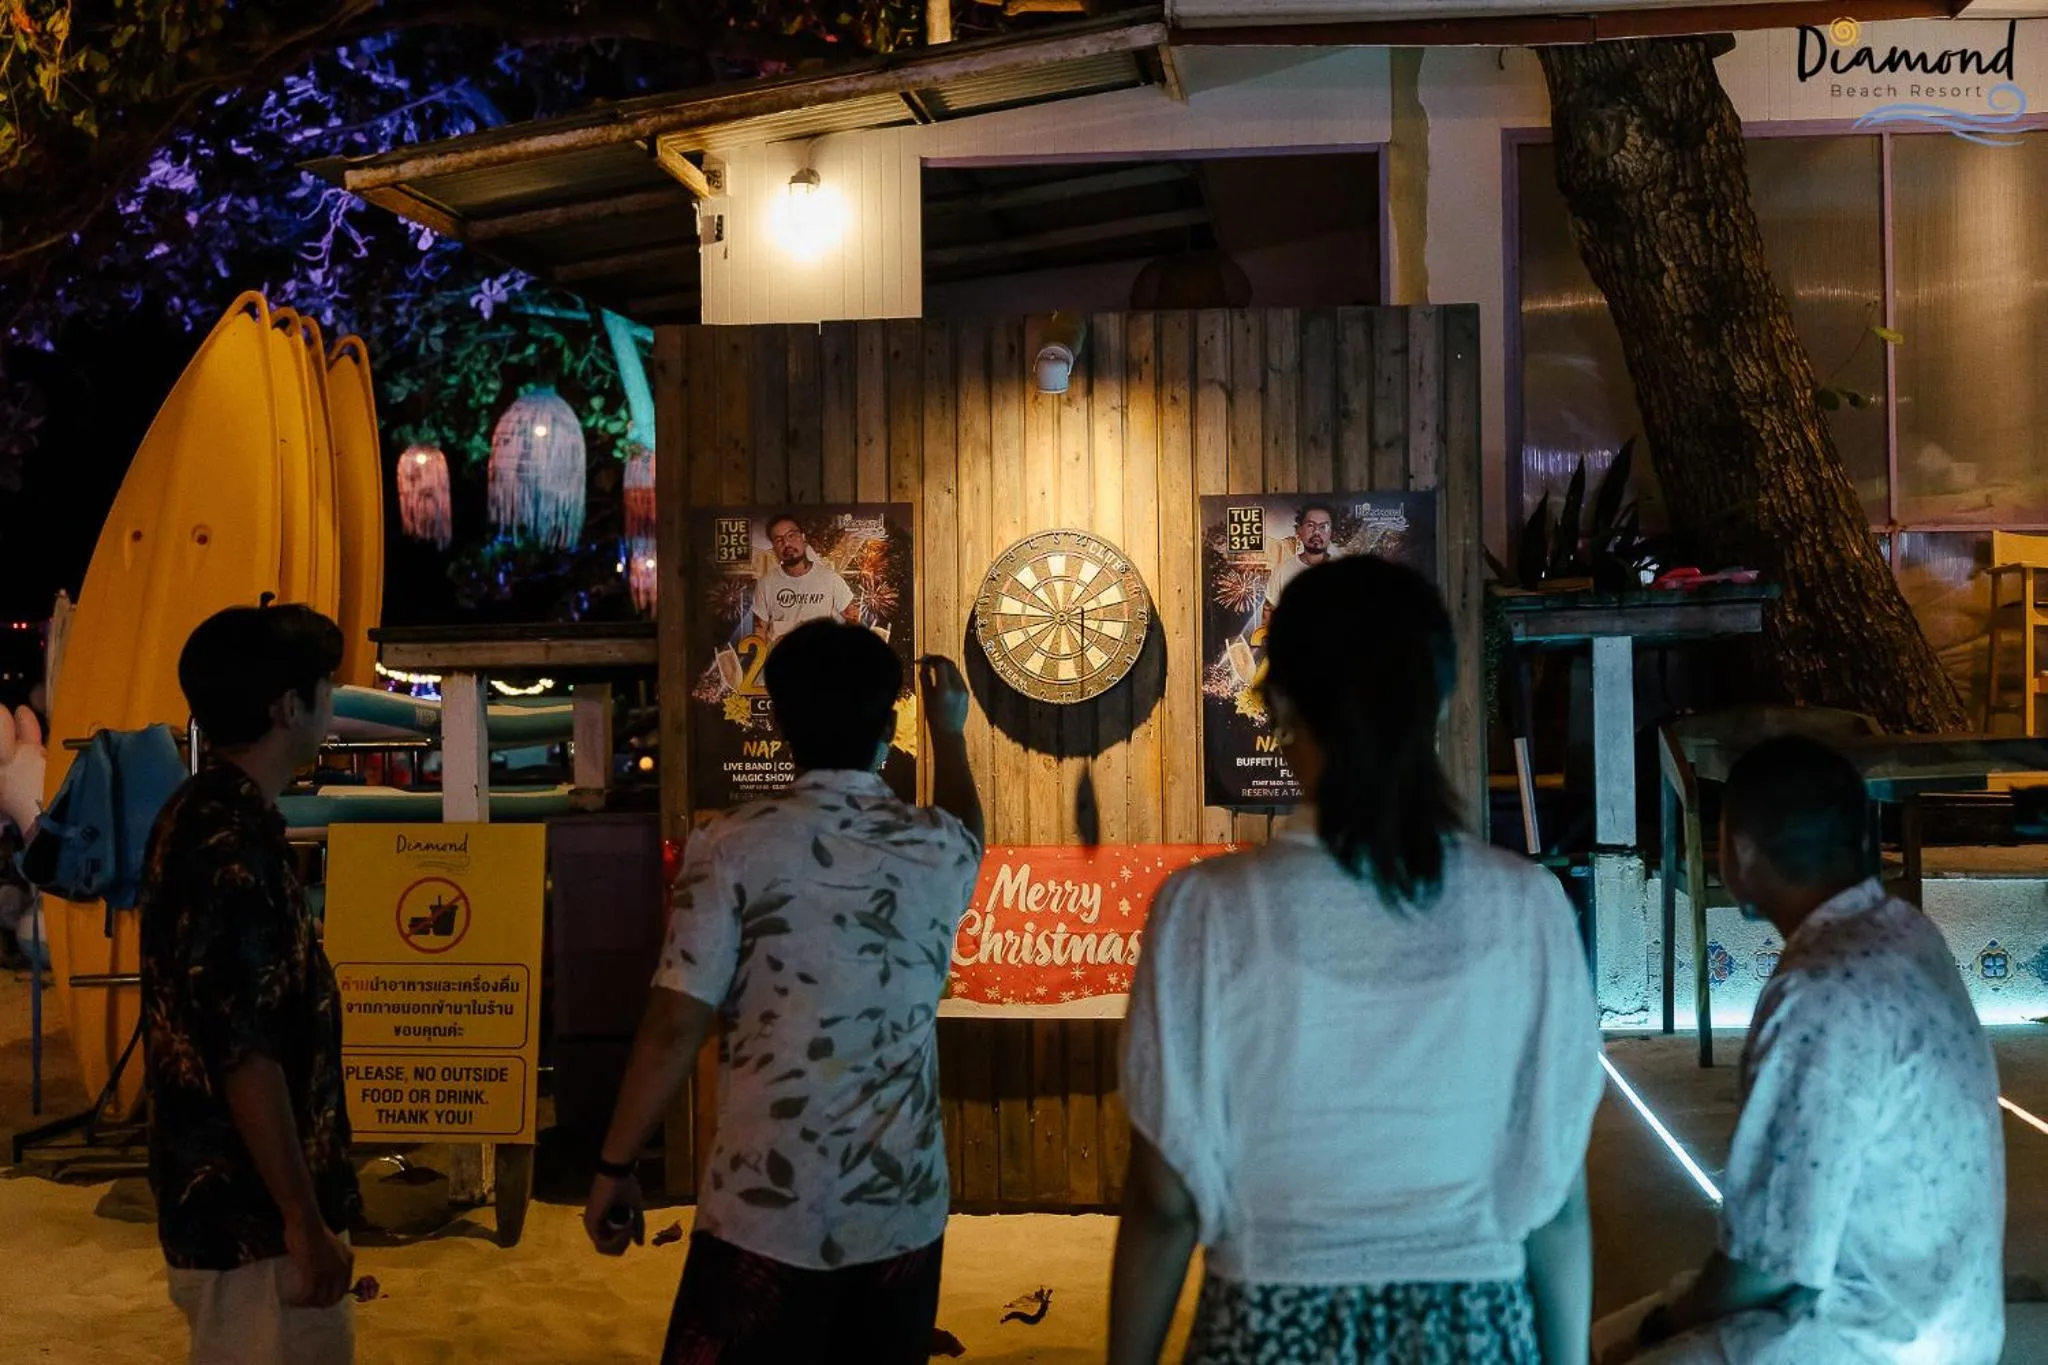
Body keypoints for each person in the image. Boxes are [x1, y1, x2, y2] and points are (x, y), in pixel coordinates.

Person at [1110, 555, 1604, 1365]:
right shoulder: (1528, 907)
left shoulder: (1206, 910)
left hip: (1265, 1327)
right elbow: (1559, 1205)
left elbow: (1163, 1203)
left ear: (1282, 705)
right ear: (1440, 703)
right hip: (1473, 1329)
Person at [585, 620, 985, 1363]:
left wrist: (615, 1163)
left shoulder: (730, 844)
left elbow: (676, 1021)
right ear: (891, 725)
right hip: (898, 1205)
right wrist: (951, 734)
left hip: (766, 1208)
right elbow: (969, 825)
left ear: (779, 719)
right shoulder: (938, 847)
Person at [1594, 736, 2005, 1365]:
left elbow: (1766, 1268)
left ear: (1741, 852)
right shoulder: (1907, 932)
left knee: (1596, 1344)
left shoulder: (1818, 993)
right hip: (1953, 1320)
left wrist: (1652, 1333)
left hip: (1865, 1339)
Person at [139, 603, 359, 1365]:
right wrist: (301, 1216)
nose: (334, 703)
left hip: (240, 1213)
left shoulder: (207, 815)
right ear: (288, 705)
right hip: (252, 1224)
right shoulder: (228, 843)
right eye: (326, 686)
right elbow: (245, 1050)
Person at [753, 513, 861, 641]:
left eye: (791, 535)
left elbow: (853, 619)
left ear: (803, 538)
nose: (786, 543)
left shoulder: (831, 579)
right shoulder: (765, 584)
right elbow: (759, 631)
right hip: (783, 658)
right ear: (773, 547)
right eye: (778, 540)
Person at [1258, 501, 1341, 634]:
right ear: (1299, 530)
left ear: (1332, 532)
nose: (1316, 532)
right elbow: (1268, 615)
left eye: (1323, 526)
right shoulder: (1282, 572)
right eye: (1310, 526)